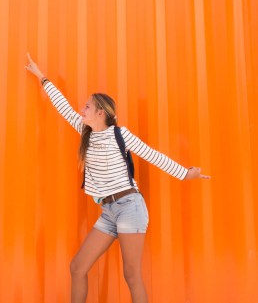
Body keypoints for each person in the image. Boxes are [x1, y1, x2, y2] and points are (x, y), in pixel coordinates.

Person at [24, 53, 210, 303]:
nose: (82, 109)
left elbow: (151, 154)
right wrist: (41, 77)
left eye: (87, 106)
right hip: (109, 210)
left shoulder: (119, 135)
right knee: (77, 267)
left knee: (131, 276)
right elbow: (63, 107)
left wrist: (187, 174)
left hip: (129, 207)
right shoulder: (85, 132)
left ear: (100, 113)